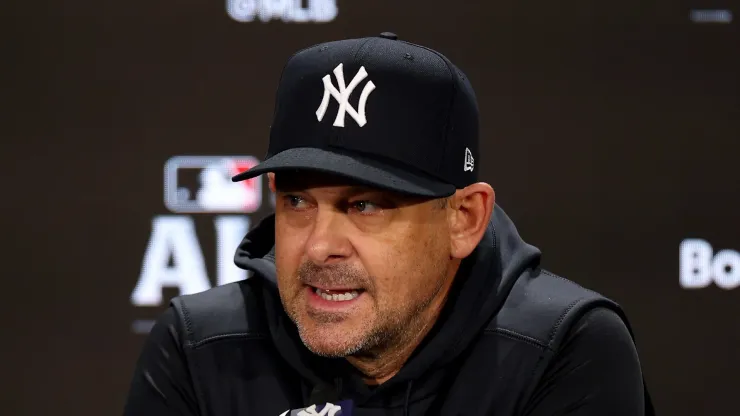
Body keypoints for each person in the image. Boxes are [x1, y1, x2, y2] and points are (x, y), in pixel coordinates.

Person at [123, 32, 655, 415]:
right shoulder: (201, 346)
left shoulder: (558, 349)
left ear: (464, 219)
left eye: (365, 206)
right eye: (299, 202)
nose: (321, 247)